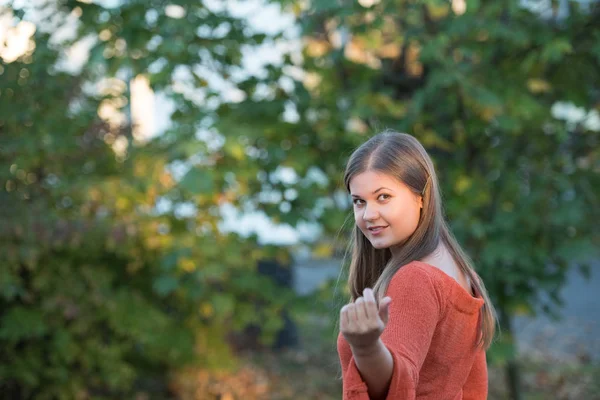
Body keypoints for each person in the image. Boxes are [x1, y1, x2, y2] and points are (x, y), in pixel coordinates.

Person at [337, 131, 497, 400]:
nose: (368, 214)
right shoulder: (462, 271)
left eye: (384, 197)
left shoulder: (417, 278)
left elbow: (398, 386)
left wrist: (366, 348)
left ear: (420, 196)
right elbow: (471, 389)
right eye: (359, 201)